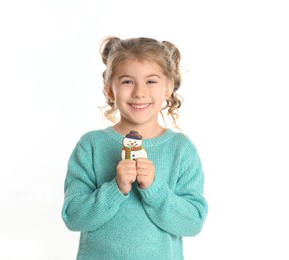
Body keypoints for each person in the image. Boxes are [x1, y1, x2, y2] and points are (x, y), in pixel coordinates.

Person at [61, 36, 208, 260]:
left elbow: (193, 222)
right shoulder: (90, 146)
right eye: (127, 81)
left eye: (151, 81)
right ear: (110, 89)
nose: (139, 92)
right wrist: (115, 189)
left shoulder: (181, 150)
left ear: (168, 87)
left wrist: (155, 189)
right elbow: (73, 217)